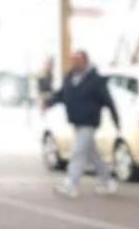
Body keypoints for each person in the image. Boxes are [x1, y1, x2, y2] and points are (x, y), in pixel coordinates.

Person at [45, 50, 119, 197]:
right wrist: (48, 102)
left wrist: (115, 119)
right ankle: (107, 181)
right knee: (93, 154)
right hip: (76, 121)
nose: (74, 63)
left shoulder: (95, 80)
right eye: (73, 60)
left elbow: (108, 100)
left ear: (85, 61)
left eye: (78, 60)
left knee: (78, 152)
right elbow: (62, 94)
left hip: (89, 122)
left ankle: (71, 185)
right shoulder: (70, 77)